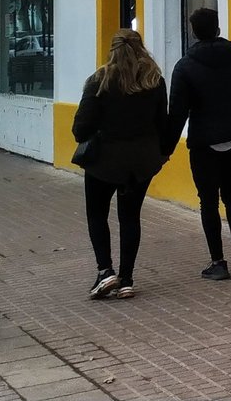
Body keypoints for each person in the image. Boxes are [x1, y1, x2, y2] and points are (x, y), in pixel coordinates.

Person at [164, 7, 231, 281]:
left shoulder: (185, 66)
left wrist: (166, 148)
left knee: (208, 200)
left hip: (203, 142)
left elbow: (177, 113)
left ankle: (217, 262)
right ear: (218, 29)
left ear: (194, 32)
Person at [71, 29, 169, 300]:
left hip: (104, 161)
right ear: (141, 48)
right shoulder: (154, 81)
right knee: (130, 217)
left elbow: (81, 128)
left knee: (97, 215)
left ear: (112, 49)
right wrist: (161, 153)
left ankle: (105, 271)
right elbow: (163, 123)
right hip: (141, 162)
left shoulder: (99, 81)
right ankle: (126, 278)